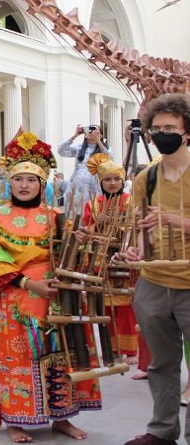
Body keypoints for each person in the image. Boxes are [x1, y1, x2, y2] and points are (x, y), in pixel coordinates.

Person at [0, 131, 100, 443]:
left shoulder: (56, 216)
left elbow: (75, 255)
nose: (25, 185)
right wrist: (30, 284)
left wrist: (80, 242)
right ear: (10, 183)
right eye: (19, 179)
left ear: (42, 183)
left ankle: (62, 417)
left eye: (31, 179)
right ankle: (16, 419)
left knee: (62, 354)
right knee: (17, 358)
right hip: (17, 299)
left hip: (57, 296)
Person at [122, 94, 190, 445]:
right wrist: (134, 248)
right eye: (157, 128)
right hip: (153, 281)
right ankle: (162, 431)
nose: (163, 134)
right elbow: (138, 225)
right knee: (160, 364)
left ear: (186, 131)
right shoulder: (145, 178)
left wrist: (176, 220)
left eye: (170, 128)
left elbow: (166, 219)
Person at [79, 154, 137, 360]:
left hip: (123, 255)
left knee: (126, 304)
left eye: (116, 179)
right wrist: (98, 225)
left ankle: (130, 349)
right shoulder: (93, 204)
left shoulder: (131, 202)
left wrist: (121, 226)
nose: (112, 183)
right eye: (107, 180)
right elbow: (87, 229)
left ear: (122, 181)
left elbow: (135, 228)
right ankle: (111, 348)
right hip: (100, 256)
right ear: (101, 182)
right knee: (106, 304)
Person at [57, 123, 114, 215]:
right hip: (76, 185)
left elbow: (110, 159)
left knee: (91, 210)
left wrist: (99, 141)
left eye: (94, 130)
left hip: (93, 185)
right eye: (89, 129)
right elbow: (61, 150)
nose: (91, 132)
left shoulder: (105, 149)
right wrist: (75, 135)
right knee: (74, 211)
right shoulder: (79, 148)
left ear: (100, 134)